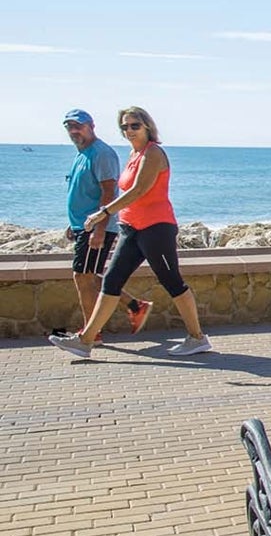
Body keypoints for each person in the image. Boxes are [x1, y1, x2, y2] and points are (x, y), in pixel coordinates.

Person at [48, 107, 211, 359]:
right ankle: (85, 341)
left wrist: (102, 214)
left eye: (135, 125)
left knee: (172, 282)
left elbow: (137, 191)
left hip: (156, 228)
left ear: (147, 126)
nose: (129, 131)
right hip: (131, 229)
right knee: (111, 281)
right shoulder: (133, 153)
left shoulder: (153, 153)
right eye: (124, 127)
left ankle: (197, 338)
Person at [60, 109, 153, 338]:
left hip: (97, 226)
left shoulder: (101, 153)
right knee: (88, 274)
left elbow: (109, 192)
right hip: (85, 225)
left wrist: (100, 229)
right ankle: (134, 306)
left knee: (83, 276)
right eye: (70, 127)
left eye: (78, 126)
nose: (74, 131)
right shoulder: (82, 154)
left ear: (91, 126)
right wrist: (74, 224)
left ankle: (91, 332)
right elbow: (81, 193)